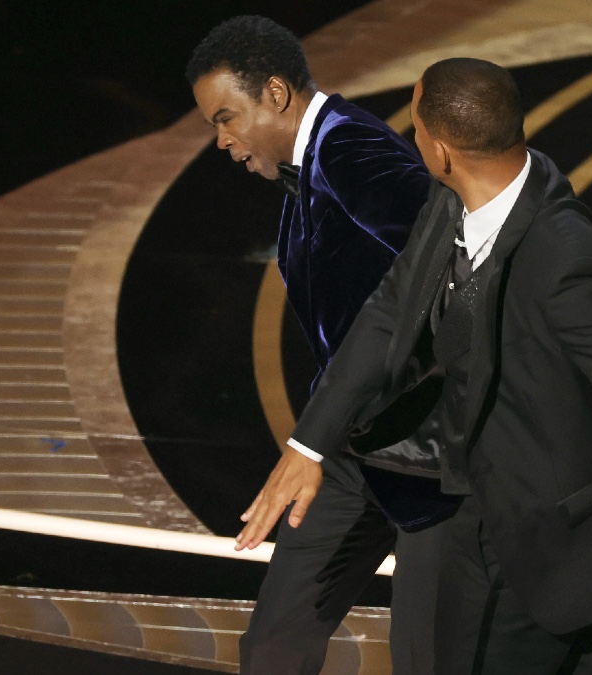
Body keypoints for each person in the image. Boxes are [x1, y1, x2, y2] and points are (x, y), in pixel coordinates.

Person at [236, 58, 592, 674]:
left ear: (440, 151)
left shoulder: (565, 262)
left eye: (415, 129)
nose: (410, 142)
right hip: (471, 529)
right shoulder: (454, 201)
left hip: (558, 555)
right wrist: (309, 444)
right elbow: (391, 307)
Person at [186, 16, 452, 675]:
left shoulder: (350, 151)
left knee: (431, 658)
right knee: (274, 645)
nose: (222, 141)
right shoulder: (309, 170)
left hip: (435, 454)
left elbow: (450, 262)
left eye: (227, 118)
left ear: (275, 94)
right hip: (352, 449)